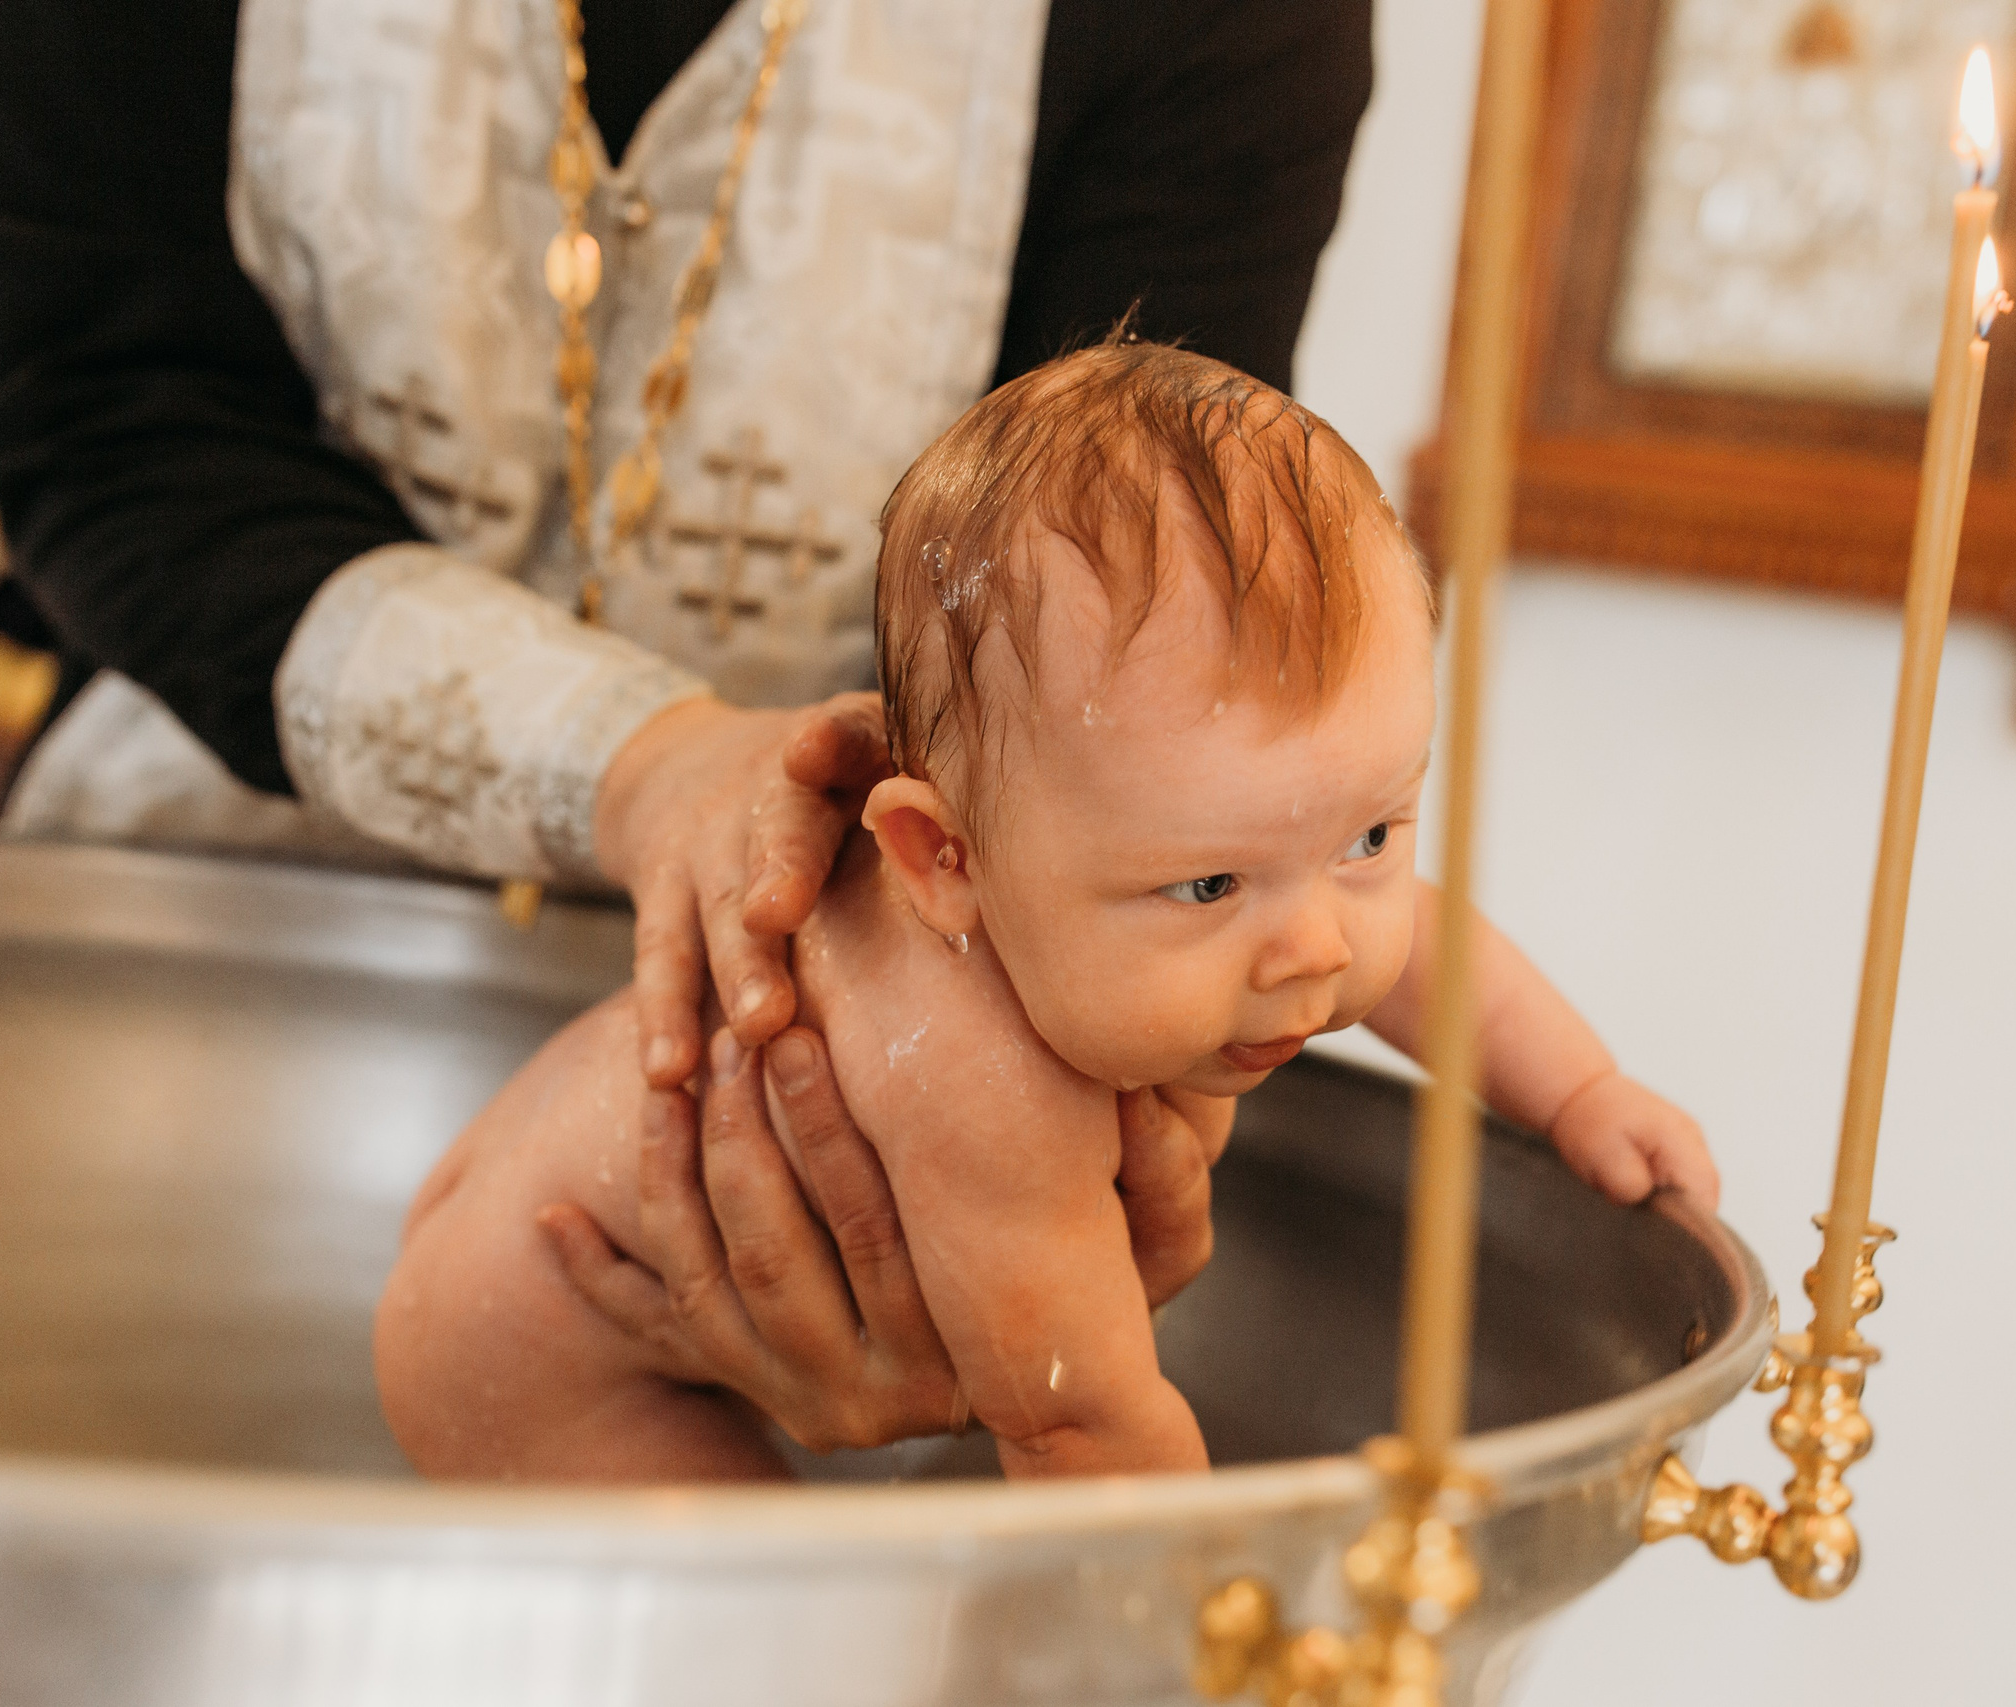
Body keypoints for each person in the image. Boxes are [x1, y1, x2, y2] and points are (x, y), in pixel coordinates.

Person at [0, 0, 1372, 1449]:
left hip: (860, 1054)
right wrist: (644, 758)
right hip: (188, 1002)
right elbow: (94, 399)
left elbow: (1136, 589)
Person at [374, 345, 1718, 1482]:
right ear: (940, 859)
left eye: (1370, 832)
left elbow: (1422, 944)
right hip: (532, 1329)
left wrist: (1578, 1091)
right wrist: (1229, 1624)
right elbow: (1075, 1423)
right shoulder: (984, 1081)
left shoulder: (1228, 857)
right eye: (1207, 886)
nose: (1321, 945)